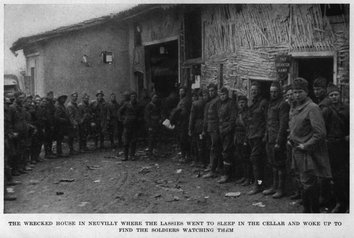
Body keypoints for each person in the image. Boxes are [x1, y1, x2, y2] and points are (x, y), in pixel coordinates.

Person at [288, 77, 332, 213]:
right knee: (303, 182)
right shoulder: (295, 107)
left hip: (308, 153)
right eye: (294, 92)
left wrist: (306, 146)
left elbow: (320, 134)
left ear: (307, 92)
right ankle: (308, 211)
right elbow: (294, 127)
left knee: (308, 184)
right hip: (296, 150)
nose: (296, 95)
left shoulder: (312, 108)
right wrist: (290, 138)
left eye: (300, 92)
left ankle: (311, 213)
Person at [262, 81, 290, 198]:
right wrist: (265, 136)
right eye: (271, 92)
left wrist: (279, 142)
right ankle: (274, 186)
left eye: (275, 92)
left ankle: (281, 189)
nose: (273, 94)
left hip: (277, 140)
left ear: (279, 92)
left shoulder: (283, 104)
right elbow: (268, 122)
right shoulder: (270, 104)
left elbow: (283, 125)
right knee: (272, 163)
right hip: (270, 138)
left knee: (280, 164)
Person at [326, 82, 349, 213]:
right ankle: (340, 203)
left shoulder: (347, 109)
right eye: (331, 95)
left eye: (336, 94)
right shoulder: (326, 111)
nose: (334, 97)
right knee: (335, 176)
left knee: (346, 175)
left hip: (345, 146)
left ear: (340, 95)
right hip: (332, 146)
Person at [313, 77, 332, 206]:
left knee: (323, 169)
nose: (316, 92)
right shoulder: (319, 103)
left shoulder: (325, 105)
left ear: (325, 90)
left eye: (319, 89)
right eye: (314, 89)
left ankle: (324, 197)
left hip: (325, 141)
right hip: (321, 140)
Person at [246, 81, 268, 195]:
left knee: (255, 159)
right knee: (257, 161)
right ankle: (260, 183)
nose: (253, 92)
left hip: (259, 136)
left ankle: (258, 185)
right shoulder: (251, 103)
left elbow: (266, 120)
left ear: (259, 91)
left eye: (255, 90)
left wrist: (265, 135)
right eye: (252, 90)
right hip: (251, 135)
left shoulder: (263, 103)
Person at [9, 92, 32, 175]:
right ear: (16, 98)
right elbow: (9, 121)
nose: (22, 100)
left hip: (23, 132)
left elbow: (24, 119)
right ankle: (15, 169)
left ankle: (20, 167)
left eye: (23, 98)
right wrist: (12, 132)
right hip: (16, 133)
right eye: (20, 98)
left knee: (22, 150)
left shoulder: (22, 107)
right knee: (16, 152)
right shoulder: (12, 107)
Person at [217, 87, 237, 184]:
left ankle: (227, 175)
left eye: (224, 94)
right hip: (222, 131)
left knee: (227, 152)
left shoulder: (231, 103)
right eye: (221, 95)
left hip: (228, 132)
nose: (222, 96)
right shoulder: (222, 104)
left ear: (227, 94)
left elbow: (233, 118)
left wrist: (228, 130)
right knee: (223, 152)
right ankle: (225, 172)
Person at [203, 83, 222, 179]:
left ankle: (213, 171)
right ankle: (215, 167)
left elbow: (219, 116)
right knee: (214, 148)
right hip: (211, 128)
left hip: (215, 129)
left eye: (212, 91)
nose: (211, 93)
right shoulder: (211, 101)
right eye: (209, 91)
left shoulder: (218, 101)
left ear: (216, 91)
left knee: (214, 149)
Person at [4, 97, 21, 201]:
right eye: (5, 103)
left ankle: (9, 180)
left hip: (6, 139)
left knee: (6, 163)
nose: (7, 105)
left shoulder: (6, 112)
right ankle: (4, 193)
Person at [234, 95, 252, 186]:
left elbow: (248, 128)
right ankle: (244, 177)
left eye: (243, 102)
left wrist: (246, 140)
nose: (241, 104)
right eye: (240, 103)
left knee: (246, 158)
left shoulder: (248, 113)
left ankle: (248, 178)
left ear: (246, 103)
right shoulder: (239, 113)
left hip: (245, 138)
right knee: (242, 158)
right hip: (238, 138)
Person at [119, 91, 142, 161]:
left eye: (135, 97)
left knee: (134, 141)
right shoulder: (126, 104)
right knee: (126, 141)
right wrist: (123, 120)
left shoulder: (138, 105)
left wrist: (138, 119)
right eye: (132, 97)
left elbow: (140, 114)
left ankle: (132, 156)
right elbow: (120, 112)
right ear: (130, 97)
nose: (133, 98)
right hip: (127, 124)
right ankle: (125, 156)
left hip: (135, 124)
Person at [189, 89, 208, 168]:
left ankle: (200, 161)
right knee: (202, 144)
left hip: (197, 126)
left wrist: (190, 128)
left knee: (197, 144)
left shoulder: (195, 103)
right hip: (204, 125)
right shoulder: (207, 102)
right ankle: (203, 161)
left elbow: (192, 118)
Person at [175, 86, 192, 163]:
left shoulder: (184, 101)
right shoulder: (182, 100)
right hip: (183, 123)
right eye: (180, 91)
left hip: (183, 123)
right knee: (185, 140)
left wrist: (177, 116)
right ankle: (187, 156)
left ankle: (183, 156)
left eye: (182, 91)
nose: (181, 93)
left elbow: (184, 113)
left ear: (185, 92)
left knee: (183, 140)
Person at [30, 96, 47, 163]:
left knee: (39, 143)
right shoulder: (32, 109)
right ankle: (33, 158)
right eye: (36, 100)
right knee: (34, 143)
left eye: (39, 100)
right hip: (35, 127)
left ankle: (37, 156)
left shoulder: (40, 108)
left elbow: (42, 118)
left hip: (40, 127)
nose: (38, 102)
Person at [145, 93, 161, 159]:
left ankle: (153, 153)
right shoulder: (149, 106)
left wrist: (160, 119)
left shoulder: (156, 105)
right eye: (154, 98)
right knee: (151, 140)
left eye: (156, 98)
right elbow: (147, 117)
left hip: (156, 124)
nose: (155, 99)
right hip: (151, 125)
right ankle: (150, 153)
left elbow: (159, 114)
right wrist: (150, 126)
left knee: (154, 139)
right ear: (151, 98)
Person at [44, 91, 57, 158]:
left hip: (51, 123)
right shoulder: (48, 103)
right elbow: (48, 115)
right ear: (48, 95)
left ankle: (50, 151)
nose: (52, 97)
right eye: (50, 95)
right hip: (48, 124)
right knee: (48, 139)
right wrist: (51, 124)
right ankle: (47, 153)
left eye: (52, 95)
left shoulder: (51, 103)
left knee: (50, 138)